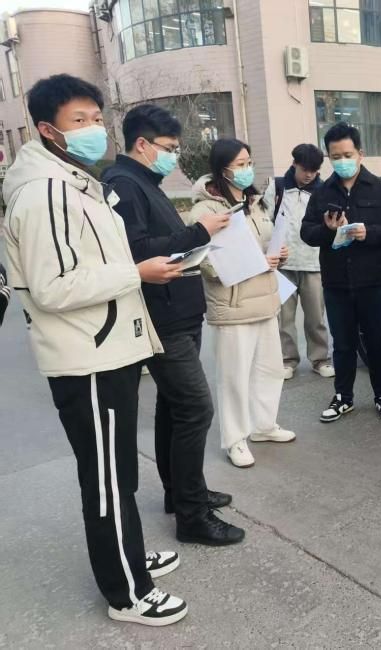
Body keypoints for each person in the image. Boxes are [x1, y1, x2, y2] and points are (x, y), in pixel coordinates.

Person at [3, 73, 188, 625]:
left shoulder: (74, 181)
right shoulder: (46, 192)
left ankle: (129, 552)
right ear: (47, 129)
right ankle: (128, 593)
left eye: (97, 117)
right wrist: (137, 273)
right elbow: (54, 286)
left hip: (106, 347)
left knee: (118, 469)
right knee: (106, 477)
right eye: (78, 120)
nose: (94, 128)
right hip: (87, 356)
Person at [102, 105, 243, 546]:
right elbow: (140, 250)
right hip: (163, 318)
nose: (173, 156)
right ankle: (192, 516)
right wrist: (200, 232)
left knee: (174, 407)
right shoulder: (124, 184)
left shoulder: (145, 181)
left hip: (178, 311)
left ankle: (180, 492)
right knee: (196, 408)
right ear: (142, 144)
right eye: (168, 148)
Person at [187, 138, 295, 468]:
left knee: (269, 369)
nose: (247, 169)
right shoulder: (205, 211)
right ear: (223, 169)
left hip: (265, 299)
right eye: (240, 164)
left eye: (249, 162)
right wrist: (260, 261)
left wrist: (278, 254)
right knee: (234, 376)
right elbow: (206, 262)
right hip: (233, 305)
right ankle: (235, 439)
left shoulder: (255, 203)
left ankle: (264, 425)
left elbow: (264, 243)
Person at [300, 122, 381, 423]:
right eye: (336, 157)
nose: (342, 161)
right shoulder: (322, 192)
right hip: (337, 282)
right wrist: (327, 229)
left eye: (348, 155)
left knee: (377, 342)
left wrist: (369, 232)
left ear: (360, 153)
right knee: (343, 344)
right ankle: (343, 397)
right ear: (329, 157)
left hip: (374, 280)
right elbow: (306, 232)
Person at [267, 144, 334, 381]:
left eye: (314, 171)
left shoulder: (324, 190)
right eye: (305, 169)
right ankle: (288, 360)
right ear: (294, 163)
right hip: (283, 264)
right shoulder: (277, 187)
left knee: (316, 317)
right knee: (284, 318)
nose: (309, 175)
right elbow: (266, 221)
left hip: (313, 263)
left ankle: (320, 359)